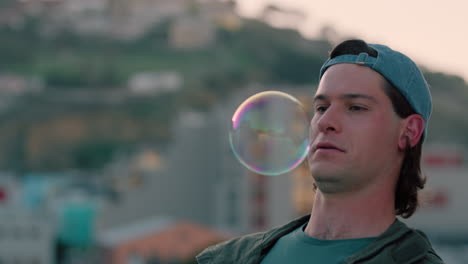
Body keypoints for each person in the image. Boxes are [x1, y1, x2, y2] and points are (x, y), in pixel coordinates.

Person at [196, 39, 444, 264]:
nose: (326, 122)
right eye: (321, 107)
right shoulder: (224, 259)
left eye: (356, 107)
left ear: (409, 131)